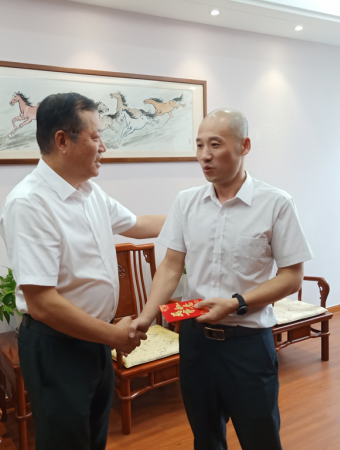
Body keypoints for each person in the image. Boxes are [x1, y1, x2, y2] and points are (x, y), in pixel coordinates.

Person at [129, 109, 313, 450]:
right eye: (199, 145)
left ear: (244, 146)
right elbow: (170, 266)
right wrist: (146, 316)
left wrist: (236, 303)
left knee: (260, 439)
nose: (204, 155)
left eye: (215, 144)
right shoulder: (186, 202)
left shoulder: (276, 203)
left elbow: (291, 277)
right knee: (206, 438)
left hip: (248, 344)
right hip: (196, 343)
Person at [0, 92, 166, 450]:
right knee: (65, 442)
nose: (104, 147)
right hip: (58, 346)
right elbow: (42, 303)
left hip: (95, 339)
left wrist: (198, 219)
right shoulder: (30, 203)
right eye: (96, 137)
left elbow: (138, 225)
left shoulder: (89, 192)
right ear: (63, 140)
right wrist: (113, 336)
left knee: (92, 437)